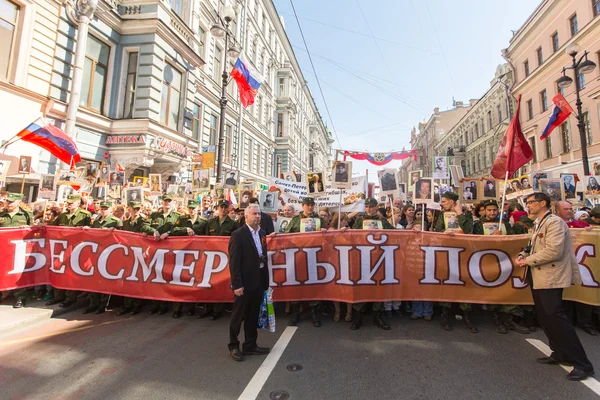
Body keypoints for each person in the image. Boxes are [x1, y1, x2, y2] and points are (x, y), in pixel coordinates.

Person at [515, 193, 594, 381]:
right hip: (539, 276)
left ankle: (583, 364)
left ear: (543, 203)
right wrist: (523, 254)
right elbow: (533, 246)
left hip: (551, 276)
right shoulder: (540, 223)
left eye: (531, 202)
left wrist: (527, 260)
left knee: (556, 318)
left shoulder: (554, 223)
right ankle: (560, 353)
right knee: (546, 317)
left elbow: (554, 251)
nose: (528, 206)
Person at [473, 200, 529, 335]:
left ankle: (508, 318)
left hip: (505, 260)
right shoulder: (478, 225)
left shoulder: (504, 223)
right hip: (487, 261)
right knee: (493, 290)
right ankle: (496, 319)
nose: (492, 212)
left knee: (507, 288)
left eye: (494, 210)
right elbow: (475, 242)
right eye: (489, 210)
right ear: (485, 211)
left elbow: (513, 238)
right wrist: (492, 238)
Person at [227, 204, 270, 362]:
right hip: (244, 282)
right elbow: (234, 262)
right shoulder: (238, 235)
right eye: (254, 214)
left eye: (259, 214)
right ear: (246, 216)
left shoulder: (262, 233)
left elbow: (263, 257)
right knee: (238, 315)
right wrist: (237, 284)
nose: (257, 216)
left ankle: (250, 344)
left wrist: (265, 280)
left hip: (258, 280)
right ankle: (233, 345)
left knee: (253, 314)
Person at [347, 197, 394, 330]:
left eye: (371, 206)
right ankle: (358, 316)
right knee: (361, 287)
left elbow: (397, 233)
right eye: (366, 206)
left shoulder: (383, 221)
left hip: (379, 259)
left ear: (376, 208)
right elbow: (352, 236)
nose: (368, 209)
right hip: (363, 259)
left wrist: (413, 232)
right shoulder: (359, 221)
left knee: (378, 288)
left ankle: (377, 316)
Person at [434, 191, 477, 333]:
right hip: (447, 253)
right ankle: (445, 315)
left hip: (464, 254)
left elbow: (469, 229)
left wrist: (459, 213)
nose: (443, 203)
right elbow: (437, 231)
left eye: (445, 201)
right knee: (447, 283)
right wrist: (446, 234)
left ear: (452, 202)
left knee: (464, 284)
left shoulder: (466, 215)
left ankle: (467, 315)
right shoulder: (441, 215)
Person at [554, 201, 596, 336]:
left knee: (581, 293)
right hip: (561, 265)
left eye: (571, 209)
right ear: (558, 211)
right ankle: (566, 322)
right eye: (566, 209)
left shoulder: (581, 225)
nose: (570, 211)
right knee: (564, 294)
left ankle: (585, 322)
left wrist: (590, 231)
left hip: (581, 265)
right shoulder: (553, 224)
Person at [284, 197, 326, 327]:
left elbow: (328, 239)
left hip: (314, 258)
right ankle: (295, 313)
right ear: (303, 206)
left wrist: (325, 232)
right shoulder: (295, 220)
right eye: (307, 205)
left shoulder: (320, 220)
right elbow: (286, 237)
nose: (310, 207)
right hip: (298, 258)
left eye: (312, 205)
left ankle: (314, 314)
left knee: (313, 285)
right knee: (296, 285)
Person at [46, 194, 92, 307]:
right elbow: (53, 228)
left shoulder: (85, 215)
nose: (69, 204)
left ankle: (70, 297)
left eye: (72, 202)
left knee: (71, 273)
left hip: (76, 248)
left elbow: (92, 231)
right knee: (59, 270)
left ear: (78, 203)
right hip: (62, 247)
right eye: (68, 202)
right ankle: (58, 296)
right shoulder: (63, 216)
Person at [198, 200, 240, 320]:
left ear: (228, 209)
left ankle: (217, 310)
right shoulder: (210, 223)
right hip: (210, 257)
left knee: (219, 283)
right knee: (208, 283)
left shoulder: (233, 224)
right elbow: (205, 239)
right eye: (221, 207)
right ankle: (207, 308)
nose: (223, 209)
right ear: (218, 208)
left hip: (224, 257)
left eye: (225, 207)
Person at [116, 201, 156, 316]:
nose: (137, 211)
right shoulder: (125, 223)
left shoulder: (144, 221)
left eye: (138, 209)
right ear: (129, 209)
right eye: (134, 209)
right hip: (128, 253)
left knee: (137, 279)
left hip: (140, 253)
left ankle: (137, 305)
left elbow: (151, 232)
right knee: (127, 279)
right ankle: (127, 304)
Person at [83, 201, 122, 314]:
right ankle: (93, 303)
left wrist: (113, 232)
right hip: (95, 252)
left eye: (106, 209)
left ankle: (102, 304)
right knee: (93, 279)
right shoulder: (96, 221)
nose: (103, 211)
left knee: (106, 279)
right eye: (102, 209)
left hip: (109, 253)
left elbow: (121, 236)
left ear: (111, 210)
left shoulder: (116, 221)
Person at [170, 199, 208, 318]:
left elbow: (208, 238)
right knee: (179, 280)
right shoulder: (182, 220)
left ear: (198, 208)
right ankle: (177, 308)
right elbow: (172, 231)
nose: (192, 210)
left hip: (196, 255)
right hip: (182, 254)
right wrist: (184, 230)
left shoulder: (204, 222)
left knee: (193, 281)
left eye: (194, 208)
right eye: (190, 208)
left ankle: (190, 307)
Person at [147, 194, 180, 315]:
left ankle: (176, 308)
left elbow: (181, 229)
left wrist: (169, 232)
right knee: (157, 279)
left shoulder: (178, 216)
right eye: (165, 201)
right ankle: (158, 305)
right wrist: (153, 231)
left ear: (173, 202)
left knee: (173, 279)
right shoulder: (155, 215)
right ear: (162, 202)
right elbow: (144, 225)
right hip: (156, 252)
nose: (167, 203)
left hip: (172, 253)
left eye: (169, 201)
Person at [0, 193, 33, 309]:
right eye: (7, 201)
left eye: (11, 202)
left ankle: (20, 297)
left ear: (18, 202)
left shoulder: (26, 215)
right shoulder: (1, 214)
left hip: (18, 249)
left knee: (18, 274)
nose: (8, 204)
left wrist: (27, 229)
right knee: (2, 272)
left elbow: (33, 231)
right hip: (3, 248)